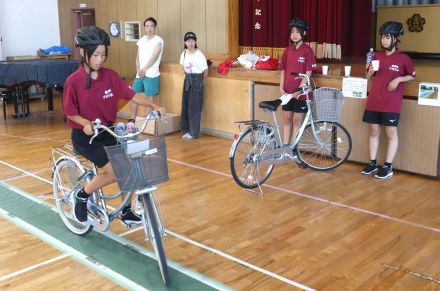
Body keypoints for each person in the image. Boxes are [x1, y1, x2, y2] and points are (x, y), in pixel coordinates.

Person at [63, 26, 165, 224]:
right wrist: (85, 123)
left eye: (103, 55)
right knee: (116, 171)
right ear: (83, 52)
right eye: (96, 55)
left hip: (108, 132)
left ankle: (126, 209)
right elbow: (70, 111)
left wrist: (154, 105)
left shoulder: (110, 76)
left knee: (129, 167)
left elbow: (132, 95)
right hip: (86, 137)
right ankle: (82, 195)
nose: (100, 59)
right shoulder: (73, 81)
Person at [361, 21, 415, 179]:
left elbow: (412, 75)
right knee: (374, 131)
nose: (384, 41)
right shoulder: (376, 56)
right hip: (374, 100)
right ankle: (372, 163)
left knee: (391, 133)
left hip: (391, 102)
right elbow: (368, 76)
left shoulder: (403, 58)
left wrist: (399, 79)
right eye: (382, 38)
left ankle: (388, 166)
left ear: (395, 39)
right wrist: (370, 70)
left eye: (387, 37)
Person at [279, 18, 317, 156]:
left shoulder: (308, 50)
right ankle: (285, 148)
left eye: (297, 32)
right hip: (287, 93)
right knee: (287, 119)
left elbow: (308, 73)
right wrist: (281, 87)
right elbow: (283, 70)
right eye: (292, 32)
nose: (294, 34)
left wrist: (299, 89)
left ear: (304, 33)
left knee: (296, 121)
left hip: (301, 94)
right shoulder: (287, 50)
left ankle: (293, 150)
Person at [130, 17, 164, 119]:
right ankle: (132, 118)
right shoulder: (142, 40)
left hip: (151, 73)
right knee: (133, 95)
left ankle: (147, 120)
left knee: (149, 96)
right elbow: (137, 57)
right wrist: (138, 70)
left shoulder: (159, 40)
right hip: (139, 73)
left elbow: (154, 56)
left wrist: (144, 70)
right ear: (144, 27)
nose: (149, 28)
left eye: (152, 26)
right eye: (147, 26)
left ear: (155, 27)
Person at [179, 32, 208, 139]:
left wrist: (201, 82)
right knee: (185, 105)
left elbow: (205, 70)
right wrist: (188, 77)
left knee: (194, 107)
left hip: (197, 80)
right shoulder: (184, 54)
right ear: (185, 42)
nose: (190, 43)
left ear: (195, 42)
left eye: (192, 41)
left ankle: (194, 132)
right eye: (188, 41)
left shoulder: (199, 55)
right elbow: (183, 67)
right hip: (187, 79)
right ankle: (185, 130)